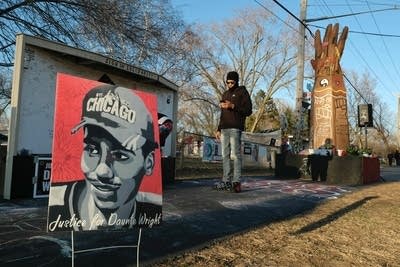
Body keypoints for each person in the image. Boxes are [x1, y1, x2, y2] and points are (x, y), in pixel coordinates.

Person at [47, 85, 161, 231]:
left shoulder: (152, 210)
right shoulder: (56, 203)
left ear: (149, 163)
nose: (102, 171)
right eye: (92, 150)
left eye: (120, 155)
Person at [214, 71, 252, 193]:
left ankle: (236, 181)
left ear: (236, 81)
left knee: (235, 155)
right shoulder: (225, 94)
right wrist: (218, 129)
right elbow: (222, 114)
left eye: (232, 82)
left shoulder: (242, 92)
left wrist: (233, 106)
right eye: (228, 82)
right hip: (224, 128)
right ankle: (226, 180)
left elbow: (248, 110)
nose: (230, 84)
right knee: (225, 155)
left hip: (235, 128)